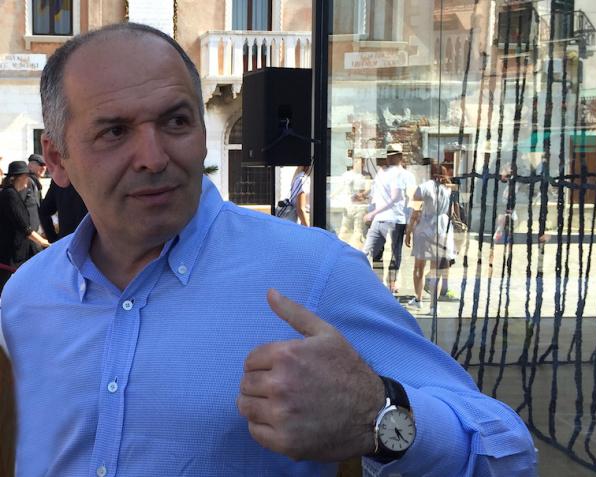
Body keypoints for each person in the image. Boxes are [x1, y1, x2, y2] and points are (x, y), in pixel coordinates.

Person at [0, 23, 537, 476]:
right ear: (58, 158)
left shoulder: (313, 272)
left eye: (176, 121)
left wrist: (377, 414)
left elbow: (508, 452)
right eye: (115, 131)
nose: (153, 156)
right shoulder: (25, 298)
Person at [405, 164, 457, 313]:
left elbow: (415, 212)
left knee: (419, 267)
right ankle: (434, 305)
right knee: (435, 270)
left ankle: (418, 299)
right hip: (442, 228)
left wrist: (408, 231)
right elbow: (452, 211)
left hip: (425, 227)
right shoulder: (448, 189)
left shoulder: (423, 188)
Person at [363, 144, 408, 293]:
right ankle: (374, 284)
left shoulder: (399, 174)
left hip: (394, 219)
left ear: (399, 157)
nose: (389, 157)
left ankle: (391, 284)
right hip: (379, 218)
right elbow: (374, 194)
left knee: (394, 254)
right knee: (368, 252)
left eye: (393, 155)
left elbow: (396, 198)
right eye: (388, 155)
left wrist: (373, 213)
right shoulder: (381, 173)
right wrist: (368, 206)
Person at [0, 161, 49, 292]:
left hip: (16, 252)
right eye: (26, 177)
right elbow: (24, 226)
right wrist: (43, 242)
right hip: (11, 255)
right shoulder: (9, 195)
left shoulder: (12, 194)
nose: (28, 180)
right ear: (20, 177)